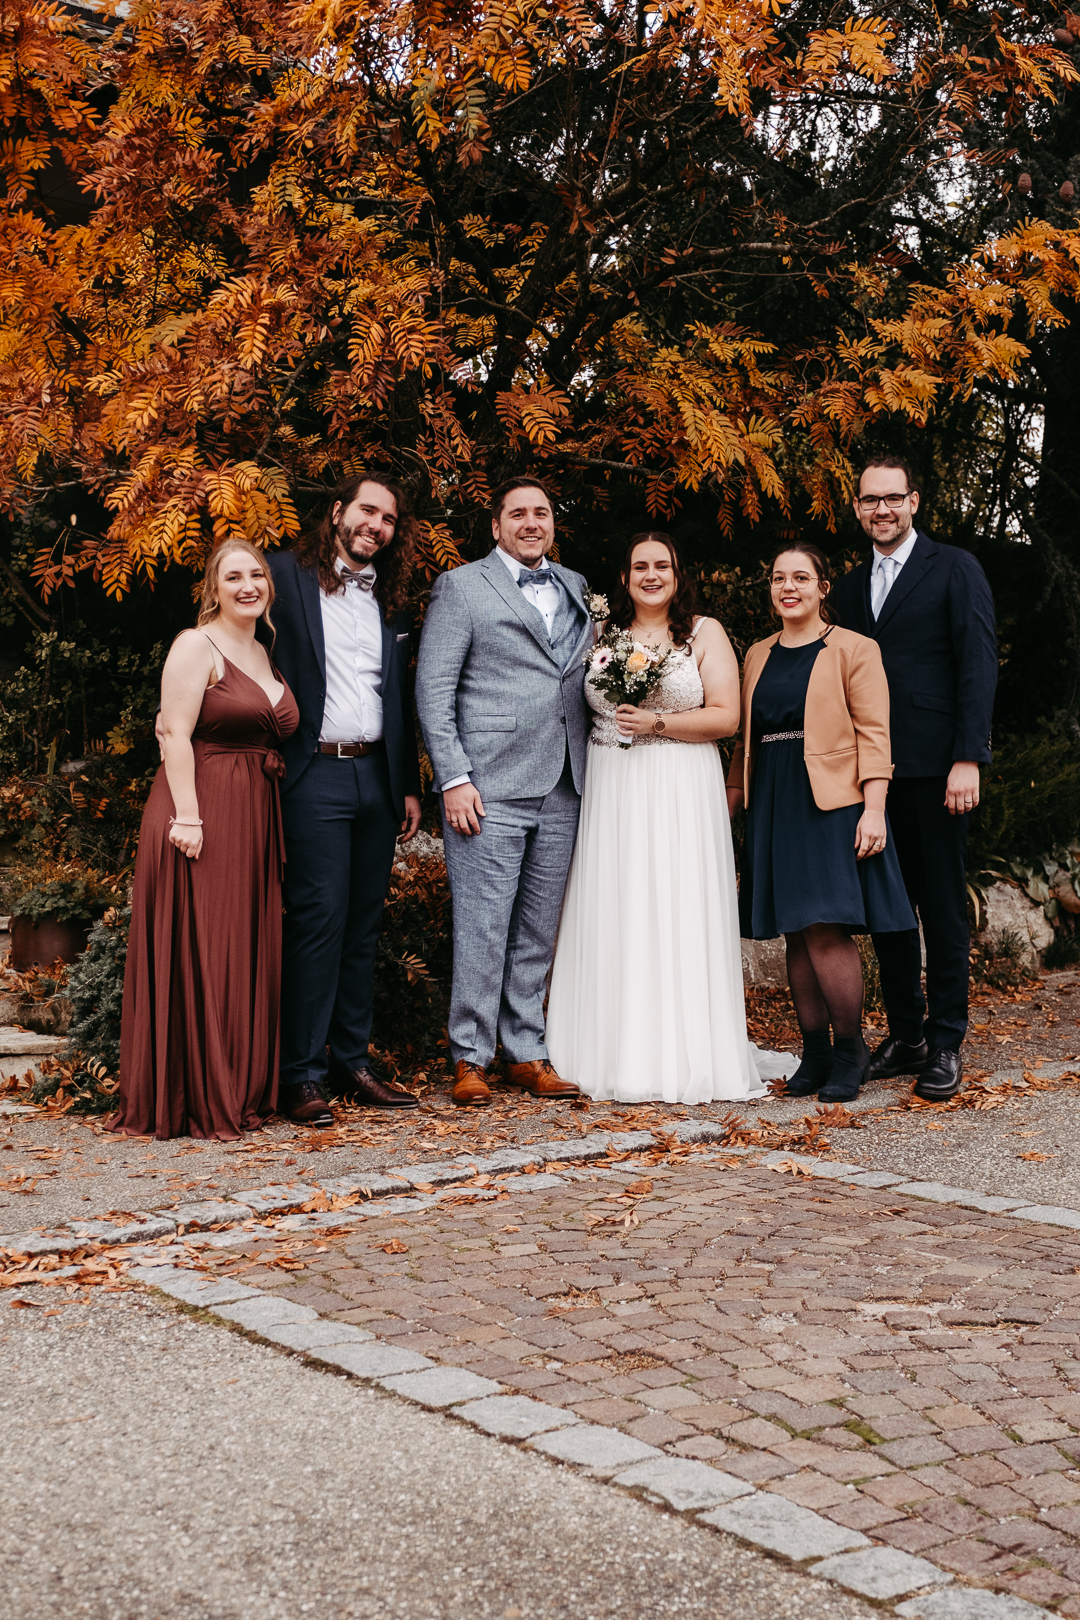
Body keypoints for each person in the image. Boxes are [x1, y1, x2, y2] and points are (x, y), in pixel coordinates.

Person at [546, 533, 790, 1103]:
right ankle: (605, 1049)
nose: (651, 575)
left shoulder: (705, 633)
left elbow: (728, 717)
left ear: (678, 574)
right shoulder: (600, 635)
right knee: (617, 906)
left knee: (677, 905)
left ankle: (684, 1052)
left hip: (681, 784)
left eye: (662, 566)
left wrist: (655, 724)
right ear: (624, 577)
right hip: (612, 785)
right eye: (639, 567)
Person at [110, 541, 299, 1140]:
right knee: (207, 947)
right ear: (213, 589)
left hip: (255, 813)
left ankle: (238, 1087)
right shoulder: (197, 645)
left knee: (242, 945)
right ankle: (197, 1094)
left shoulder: (265, 652)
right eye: (233, 576)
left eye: (257, 575)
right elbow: (174, 734)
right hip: (201, 809)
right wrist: (187, 818)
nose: (248, 585)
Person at [415, 477, 590, 1108]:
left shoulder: (577, 588)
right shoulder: (462, 587)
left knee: (537, 929)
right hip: (488, 785)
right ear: (497, 527)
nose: (530, 522)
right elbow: (434, 691)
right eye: (517, 514)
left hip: (566, 781)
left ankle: (526, 1051)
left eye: (541, 512)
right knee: (484, 924)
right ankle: (469, 1055)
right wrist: (454, 778)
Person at [830, 457, 997, 1101]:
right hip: (871, 775)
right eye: (870, 500)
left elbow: (977, 663)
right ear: (857, 508)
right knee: (889, 908)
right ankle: (907, 1036)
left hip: (936, 768)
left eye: (893, 498)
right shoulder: (845, 588)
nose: (882, 510)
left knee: (941, 905)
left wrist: (968, 757)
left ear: (914, 501)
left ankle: (947, 1041)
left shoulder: (954, 568)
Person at [728, 543, 917, 1103]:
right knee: (795, 926)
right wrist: (730, 804)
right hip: (773, 797)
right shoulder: (757, 654)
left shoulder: (855, 649)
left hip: (831, 803)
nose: (789, 587)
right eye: (779, 577)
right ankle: (812, 1054)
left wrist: (875, 809)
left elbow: (875, 735)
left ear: (822, 587)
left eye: (801, 577)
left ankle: (849, 1048)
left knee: (824, 925)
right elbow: (746, 741)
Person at [265, 476, 423, 1127]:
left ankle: (351, 1062)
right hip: (314, 775)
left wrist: (408, 782)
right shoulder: (281, 576)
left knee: (362, 928)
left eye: (387, 519)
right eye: (367, 510)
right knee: (318, 922)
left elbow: (400, 696)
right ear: (338, 512)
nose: (376, 525)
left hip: (377, 779)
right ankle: (298, 1073)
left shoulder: (393, 598)